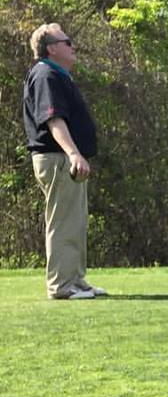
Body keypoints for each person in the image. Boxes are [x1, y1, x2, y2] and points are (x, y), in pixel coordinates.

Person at [22, 23, 107, 299]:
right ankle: (61, 286)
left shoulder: (58, 75)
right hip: (58, 158)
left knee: (75, 222)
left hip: (64, 159)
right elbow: (54, 119)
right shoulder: (46, 74)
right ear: (52, 48)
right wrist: (73, 153)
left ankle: (75, 280)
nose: (73, 46)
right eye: (67, 42)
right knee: (63, 222)